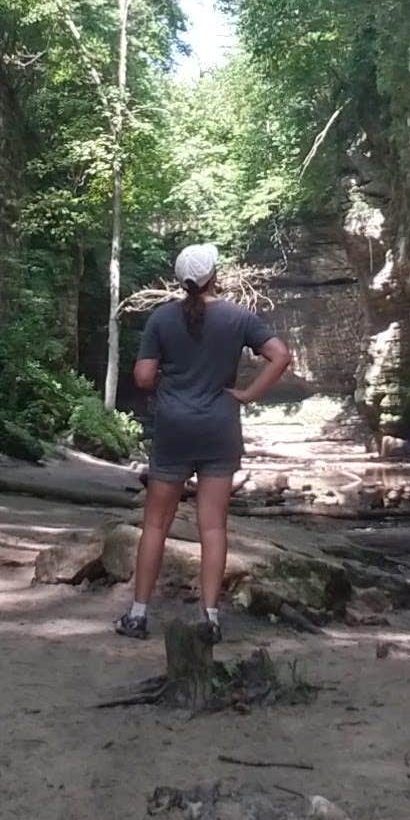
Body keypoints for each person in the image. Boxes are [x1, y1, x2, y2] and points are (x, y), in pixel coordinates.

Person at [120, 242, 291, 641]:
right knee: (212, 527)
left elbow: (144, 377)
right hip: (219, 426)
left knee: (155, 524)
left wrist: (168, 382)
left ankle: (138, 615)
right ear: (215, 275)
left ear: (182, 281)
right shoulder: (239, 317)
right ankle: (210, 617)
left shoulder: (162, 319)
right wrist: (247, 395)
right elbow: (280, 356)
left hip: (173, 428)